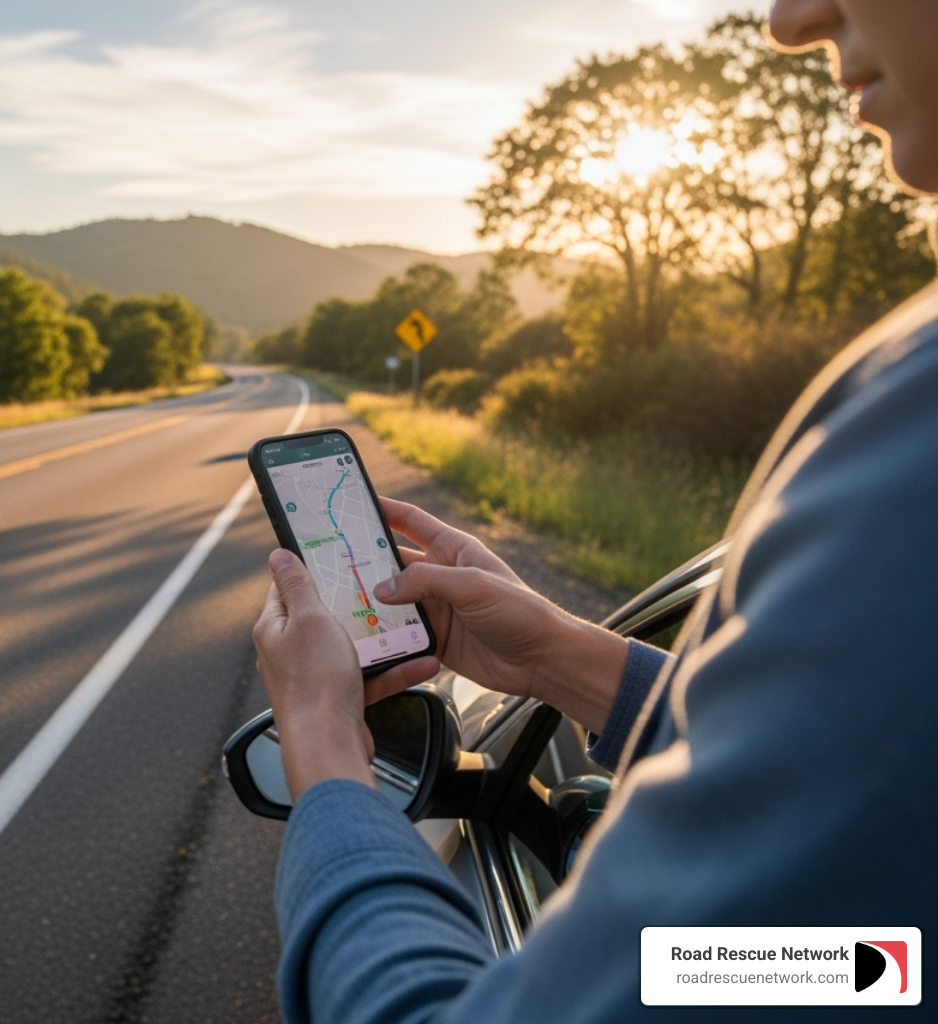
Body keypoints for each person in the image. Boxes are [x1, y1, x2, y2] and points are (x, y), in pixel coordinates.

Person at [251, 2, 938, 1021]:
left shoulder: (914, 441)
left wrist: (326, 763)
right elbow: (874, 957)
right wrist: (561, 659)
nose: (792, 19)